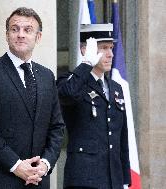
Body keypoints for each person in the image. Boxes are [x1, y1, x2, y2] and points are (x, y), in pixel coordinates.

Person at [0, 7, 65, 189]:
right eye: (15, 29)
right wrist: (16, 165)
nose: (20, 34)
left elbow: (57, 126)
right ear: (7, 35)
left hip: (37, 181)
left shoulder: (46, 76)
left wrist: (45, 164)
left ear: (38, 37)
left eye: (27, 30)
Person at [57, 24, 131, 189]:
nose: (110, 54)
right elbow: (67, 95)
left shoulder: (116, 88)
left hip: (113, 179)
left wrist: (124, 179)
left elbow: (121, 136)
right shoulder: (71, 81)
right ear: (85, 50)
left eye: (111, 48)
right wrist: (87, 64)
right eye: (103, 48)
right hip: (84, 179)